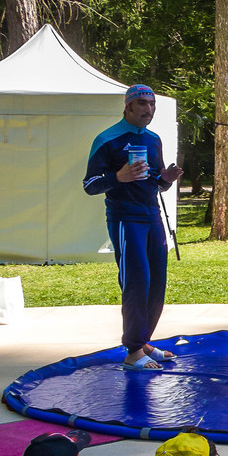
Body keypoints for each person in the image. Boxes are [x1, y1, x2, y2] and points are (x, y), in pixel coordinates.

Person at [81, 83, 182, 370]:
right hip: (125, 218)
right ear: (128, 106)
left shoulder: (153, 139)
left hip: (152, 215)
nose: (149, 109)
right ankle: (133, 351)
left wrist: (166, 179)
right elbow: (90, 185)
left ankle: (143, 341)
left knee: (156, 281)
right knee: (136, 280)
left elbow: (155, 183)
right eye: (142, 104)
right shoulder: (107, 139)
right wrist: (118, 177)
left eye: (152, 104)